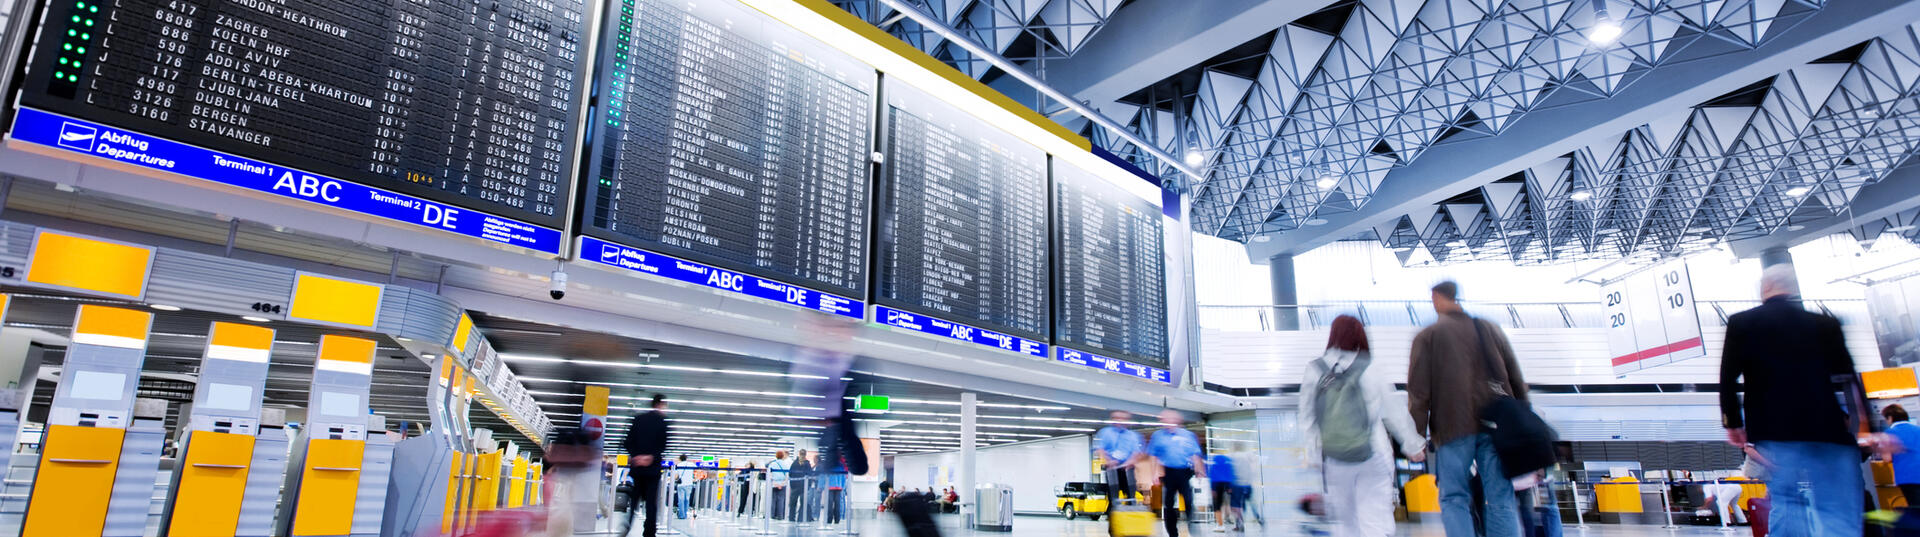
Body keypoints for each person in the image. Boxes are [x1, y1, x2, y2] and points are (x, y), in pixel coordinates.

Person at [1720, 264, 1869, 537]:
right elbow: (1848, 379)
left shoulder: (1743, 323)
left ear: (1764, 289)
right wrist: (1868, 427)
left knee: (1787, 504)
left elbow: (1728, 378)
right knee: (1836, 511)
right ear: (1795, 289)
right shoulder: (1825, 323)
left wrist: (1733, 422)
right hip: (1827, 430)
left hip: (1775, 432)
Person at [1408, 281, 1526, 537]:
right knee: (1500, 496)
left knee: (1453, 497)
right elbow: (1515, 378)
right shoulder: (1489, 329)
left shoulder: (1428, 336)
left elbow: (1419, 394)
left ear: (1437, 298)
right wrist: (1523, 420)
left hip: (1453, 427)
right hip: (1496, 425)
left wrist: (1415, 438)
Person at [1302, 315, 1426, 537]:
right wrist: (1412, 445)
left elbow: (1308, 418)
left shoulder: (1315, 370)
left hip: (1334, 459)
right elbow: (1394, 410)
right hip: (1374, 453)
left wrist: (1313, 455)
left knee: (1345, 524)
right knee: (1375, 520)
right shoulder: (1371, 366)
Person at [1140, 409, 1206, 537]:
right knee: (1169, 503)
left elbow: (1195, 454)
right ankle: (1172, 533)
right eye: (1164, 420)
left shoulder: (1187, 435)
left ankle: (1193, 527)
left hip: (1185, 471)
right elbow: (1153, 456)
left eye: (1170, 419)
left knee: (1188, 500)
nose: (1167, 423)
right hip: (1168, 472)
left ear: (1177, 421)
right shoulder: (1158, 436)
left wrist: (1199, 470)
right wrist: (1154, 474)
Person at [621, 394, 671, 537]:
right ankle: (649, 532)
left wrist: (636, 456)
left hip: (637, 469)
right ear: (661, 404)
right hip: (652, 469)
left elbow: (627, 442)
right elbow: (662, 445)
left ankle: (627, 525)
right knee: (651, 503)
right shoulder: (663, 422)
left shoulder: (638, 419)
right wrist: (650, 457)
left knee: (634, 500)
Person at [1093, 410, 1144, 511]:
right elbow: (1100, 449)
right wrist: (1108, 460)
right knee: (1113, 499)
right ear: (1113, 420)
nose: (1120, 421)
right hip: (1112, 469)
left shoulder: (1133, 436)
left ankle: (1131, 521)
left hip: (1127, 469)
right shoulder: (1105, 433)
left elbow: (1137, 453)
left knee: (1131, 497)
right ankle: (1113, 522)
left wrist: (1129, 462)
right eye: (1117, 418)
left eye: (1123, 419)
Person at [1886, 404, 1920, 502]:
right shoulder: (1918, 429)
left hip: (1907, 477)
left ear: (1890, 418)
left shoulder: (1889, 433)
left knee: (1915, 507)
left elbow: (1887, 458)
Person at [1207, 451, 1235, 532]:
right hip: (1226, 484)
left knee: (1217, 506)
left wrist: (1213, 489)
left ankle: (1220, 525)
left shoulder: (1215, 462)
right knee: (1228, 504)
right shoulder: (1227, 462)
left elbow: (1212, 475)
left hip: (1217, 485)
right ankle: (1234, 521)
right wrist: (1230, 486)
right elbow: (1230, 473)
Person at [791, 449, 816, 522]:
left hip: (795, 486)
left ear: (799, 454)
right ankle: (803, 518)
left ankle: (791, 518)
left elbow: (790, 474)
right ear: (805, 454)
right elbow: (810, 475)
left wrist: (792, 485)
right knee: (804, 502)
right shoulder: (807, 464)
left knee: (793, 503)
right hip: (803, 486)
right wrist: (808, 486)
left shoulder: (794, 463)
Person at [767, 450, 791, 520]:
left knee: (773, 500)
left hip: (774, 484)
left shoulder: (772, 464)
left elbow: (770, 475)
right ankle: (780, 516)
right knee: (781, 500)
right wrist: (782, 484)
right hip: (783, 484)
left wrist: (775, 484)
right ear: (783, 456)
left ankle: (772, 515)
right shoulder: (785, 464)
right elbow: (787, 475)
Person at [672, 454, 696, 519]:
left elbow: (676, 476)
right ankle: (685, 514)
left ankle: (682, 515)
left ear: (680, 459)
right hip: (689, 484)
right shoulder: (691, 464)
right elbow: (696, 469)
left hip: (681, 484)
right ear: (686, 458)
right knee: (687, 499)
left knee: (681, 500)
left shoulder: (679, 465)